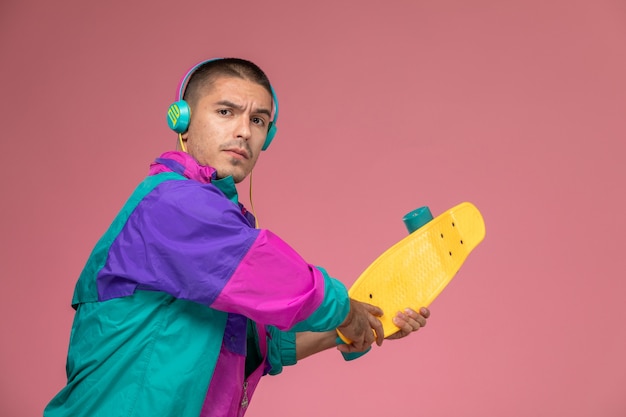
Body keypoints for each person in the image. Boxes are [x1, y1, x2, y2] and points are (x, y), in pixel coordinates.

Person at [44, 58, 431, 417]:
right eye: (226, 112)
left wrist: (351, 328)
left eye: (259, 120)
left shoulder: (218, 226)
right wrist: (345, 309)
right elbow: (271, 271)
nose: (244, 131)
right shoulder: (172, 203)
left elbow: (254, 347)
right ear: (183, 119)